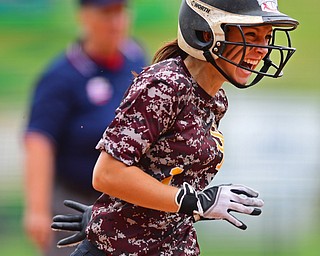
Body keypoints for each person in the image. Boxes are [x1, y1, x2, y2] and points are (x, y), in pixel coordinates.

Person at [51, 0, 299, 255]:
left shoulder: (215, 99)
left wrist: (200, 205)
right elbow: (108, 174)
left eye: (266, 38)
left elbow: (164, 180)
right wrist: (196, 202)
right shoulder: (165, 86)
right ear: (206, 33)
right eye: (251, 36)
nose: (261, 50)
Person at [23, 0, 147, 255]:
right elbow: (39, 140)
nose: (115, 22)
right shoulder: (61, 75)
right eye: (105, 13)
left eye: (120, 12)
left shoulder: (137, 60)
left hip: (124, 202)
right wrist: (37, 208)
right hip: (73, 202)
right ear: (84, 17)